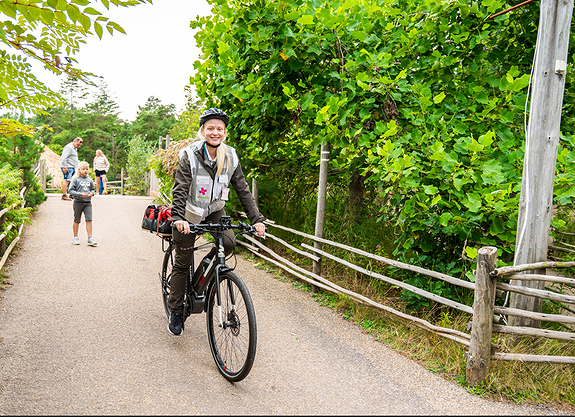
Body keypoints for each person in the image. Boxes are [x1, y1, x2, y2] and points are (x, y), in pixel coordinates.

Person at [167, 108, 266, 336]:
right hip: (189, 213)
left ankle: (205, 273)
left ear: (224, 132)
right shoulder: (189, 155)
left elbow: (243, 190)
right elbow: (180, 189)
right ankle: (176, 310)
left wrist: (257, 219)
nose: (215, 132)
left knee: (229, 244)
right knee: (183, 261)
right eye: (210, 128)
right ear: (202, 131)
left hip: (214, 210)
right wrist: (179, 218)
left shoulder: (230, 156)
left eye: (219, 129)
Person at [68, 161, 97, 246]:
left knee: (89, 220)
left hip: (88, 203)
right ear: (79, 170)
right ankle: (75, 237)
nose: (85, 171)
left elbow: (92, 189)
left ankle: (90, 238)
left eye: (87, 169)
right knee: (77, 220)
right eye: (83, 169)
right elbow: (70, 190)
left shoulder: (89, 180)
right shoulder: (75, 180)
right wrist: (80, 194)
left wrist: (92, 193)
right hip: (78, 202)